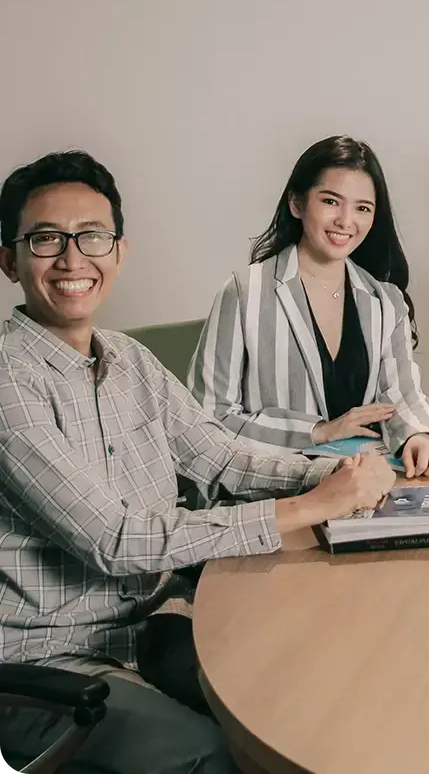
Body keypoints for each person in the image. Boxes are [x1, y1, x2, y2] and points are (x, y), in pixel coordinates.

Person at [0, 151, 400, 771]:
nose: (73, 258)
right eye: (47, 239)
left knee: (305, 697)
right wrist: (309, 506)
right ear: (8, 259)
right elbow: (116, 539)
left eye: (93, 236)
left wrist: (334, 472)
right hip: (46, 662)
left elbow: (221, 455)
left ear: (120, 251)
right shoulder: (8, 384)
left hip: (151, 621)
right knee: (214, 754)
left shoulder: (128, 360)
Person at [190, 135, 429, 477]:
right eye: (331, 201)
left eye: (362, 208)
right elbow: (208, 417)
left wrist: (419, 437)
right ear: (297, 204)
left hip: (363, 486)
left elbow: (400, 394)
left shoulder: (385, 299)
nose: (346, 221)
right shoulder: (245, 291)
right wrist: (317, 432)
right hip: (273, 492)